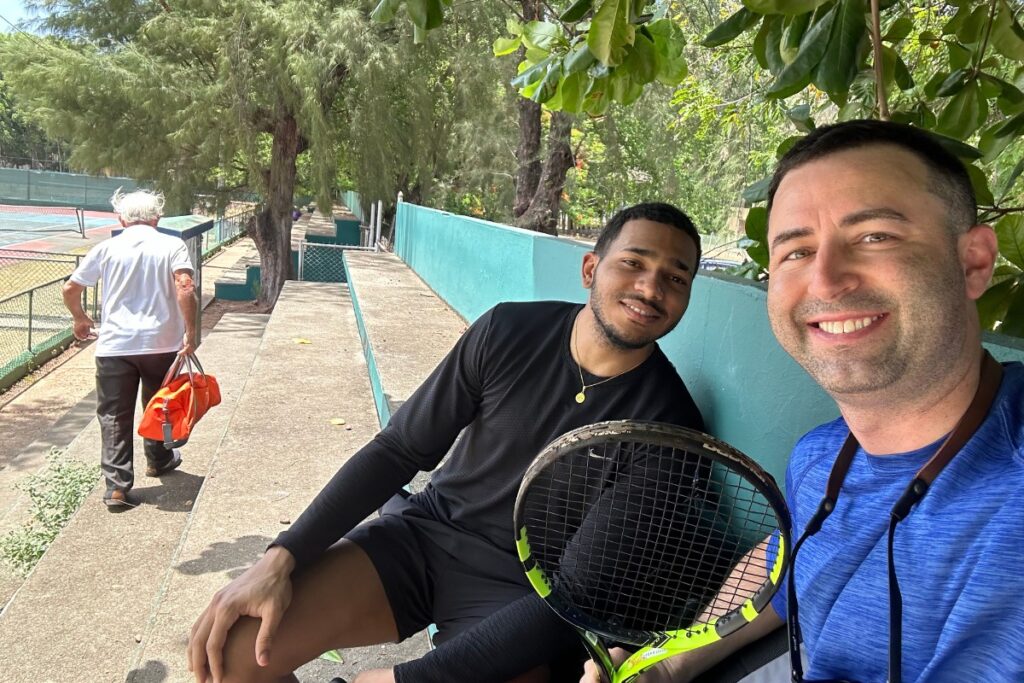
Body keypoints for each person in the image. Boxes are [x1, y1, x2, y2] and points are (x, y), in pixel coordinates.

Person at [576, 120, 1024, 682]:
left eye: (875, 236)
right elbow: (779, 568)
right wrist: (664, 668)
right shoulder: (820, 456)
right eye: (796, 251)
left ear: (974, 263)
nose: (826, 279)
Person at [186, 202, 707, 683]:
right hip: (427, 538)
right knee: (229, 654)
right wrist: (280, 558)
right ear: (591, 269)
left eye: (675, 278)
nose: (650, 288)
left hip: (527, 594)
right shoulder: (509, 330)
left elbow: (573, 597)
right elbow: (398, 450)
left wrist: (407, 680)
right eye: (634, 263)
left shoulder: (673, 427)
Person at [62, 188, 197, 509]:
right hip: (162, 344)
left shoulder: (107, 248)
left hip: (115, 347)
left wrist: (80, 319)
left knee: (113, 416)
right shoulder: (171, 245)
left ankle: (118, 489)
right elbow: (185, 287)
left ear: (120, 219)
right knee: (160, 405)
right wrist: (191, 333)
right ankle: (159, 459)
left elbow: (70, 288)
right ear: (157, 218)